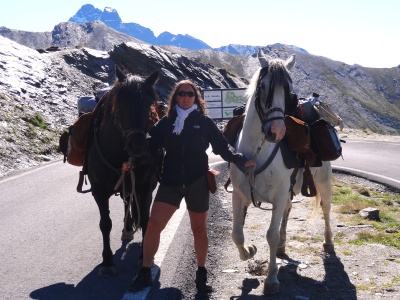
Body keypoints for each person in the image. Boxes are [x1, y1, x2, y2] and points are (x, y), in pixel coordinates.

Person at [128, 79, 255, 293]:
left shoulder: (204, 122)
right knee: (153, 226)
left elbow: (223, 148)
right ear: (175, 97)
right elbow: (150, 146)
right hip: (170, 182)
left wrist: (241, 161)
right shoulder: (167, 122)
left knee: (199, 229)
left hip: (197, 182)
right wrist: (132, 160)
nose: (186, 97)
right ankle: (144, 271)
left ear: (196, 98)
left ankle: (201, 273)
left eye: (190, 94)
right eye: (181, 94)